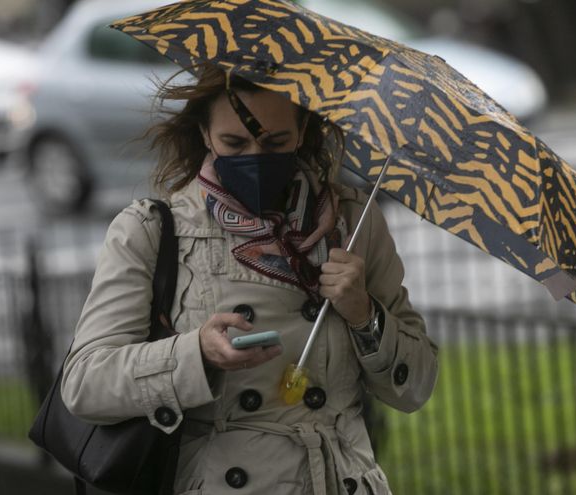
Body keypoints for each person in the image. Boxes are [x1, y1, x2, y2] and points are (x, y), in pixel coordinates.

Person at [61, 65, 439, 495]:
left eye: (275, 142)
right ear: (205, 134)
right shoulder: (151, 230)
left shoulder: (355, 223)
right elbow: (85, 384)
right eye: (234, 143)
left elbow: (417, 387)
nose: (255, 158)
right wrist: (196, 354)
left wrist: (364, 315)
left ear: (302, 132)